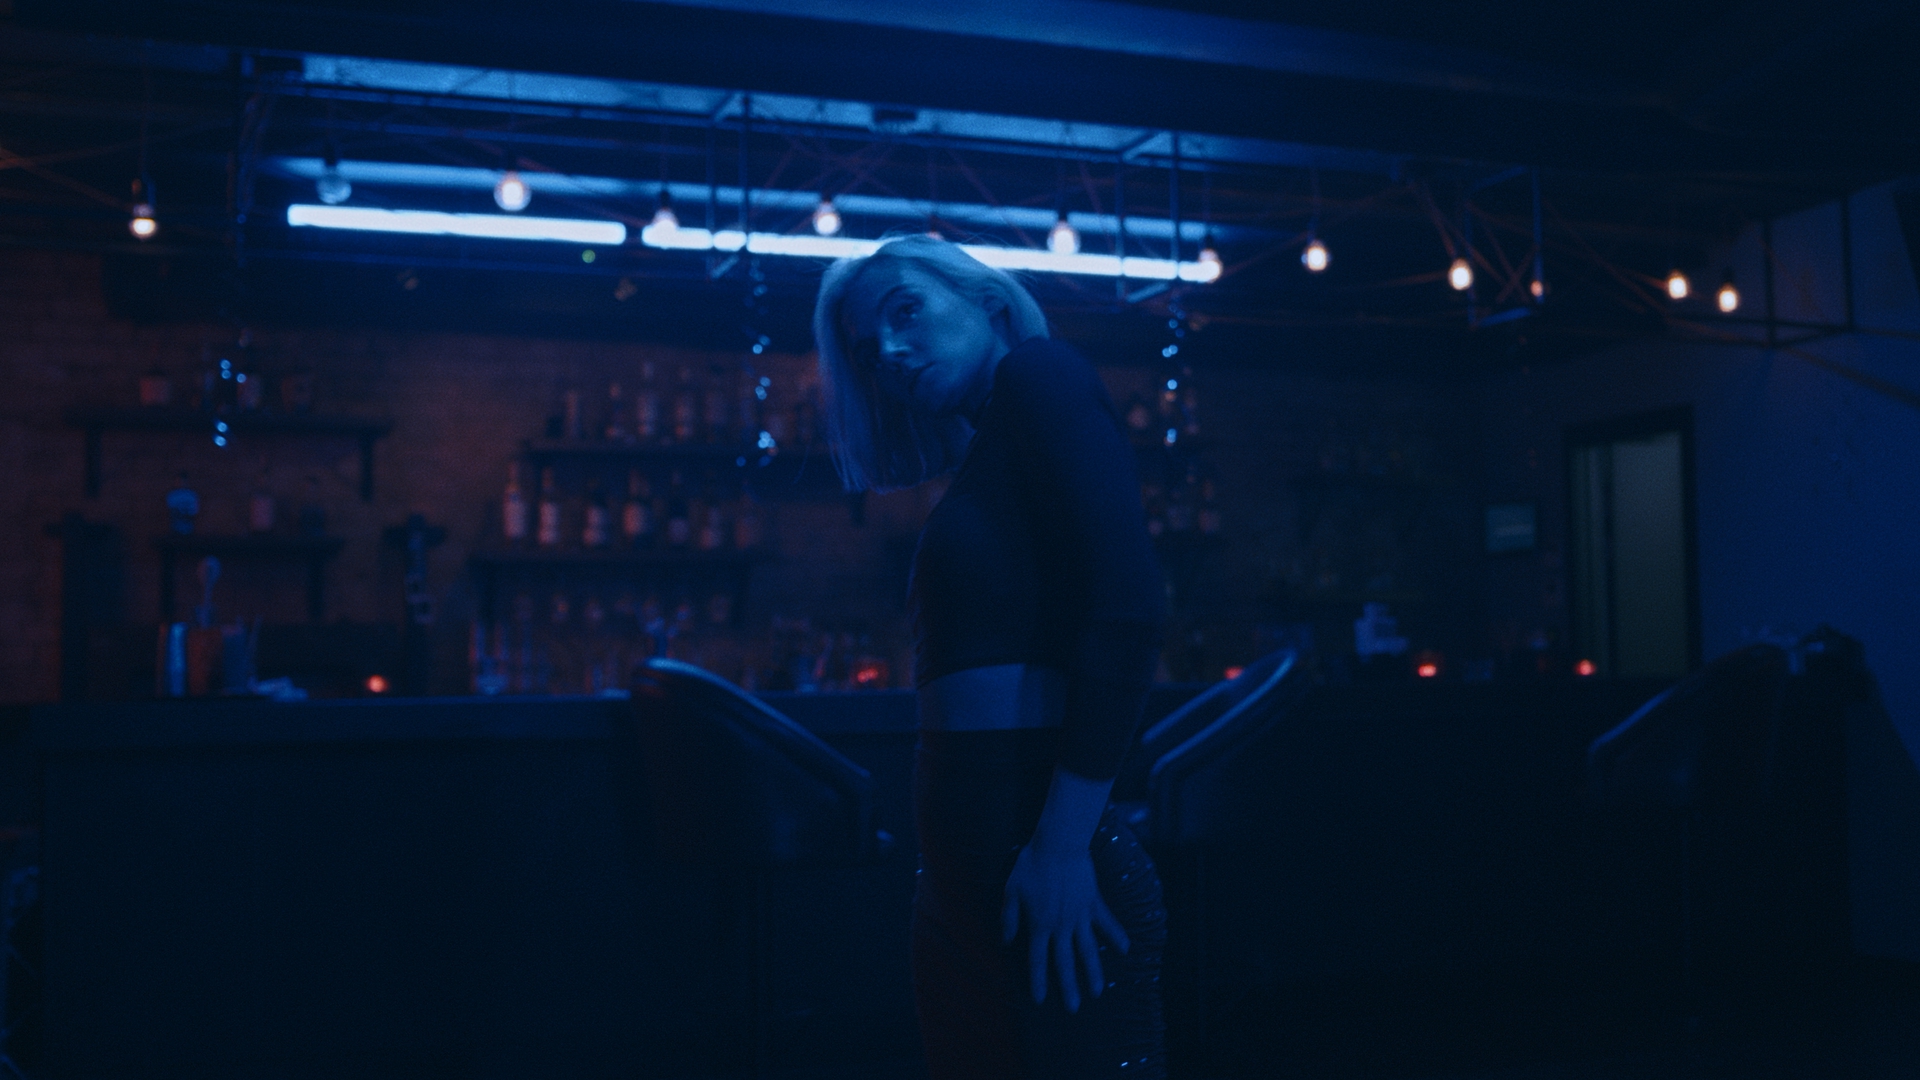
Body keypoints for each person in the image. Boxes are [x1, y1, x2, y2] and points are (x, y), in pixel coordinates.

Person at [813, 235, 1168, 1079]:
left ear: (987, 299)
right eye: (868, 349)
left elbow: (1128, 611)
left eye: (906, 312)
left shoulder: (1039, 374)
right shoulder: (991, 445)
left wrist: (1061, 850)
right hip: (970, 868)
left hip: (1040, 862)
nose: (890, 352)